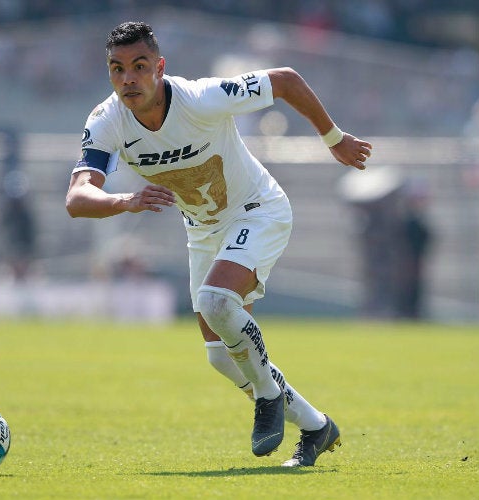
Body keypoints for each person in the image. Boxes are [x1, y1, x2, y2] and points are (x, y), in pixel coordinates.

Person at [65, 21, 372, 467]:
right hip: (203, 230)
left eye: (139, 66)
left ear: (160, 67)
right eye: (116, 69)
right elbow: (77, 198)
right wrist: (124, 200)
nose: (127, 79)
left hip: (257, 208)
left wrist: (334, 138)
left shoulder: (202, 97)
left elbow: (285, 80)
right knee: (220, 358)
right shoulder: (107, 120)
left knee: (216, 301)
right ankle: (316, 427)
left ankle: (267, 396)